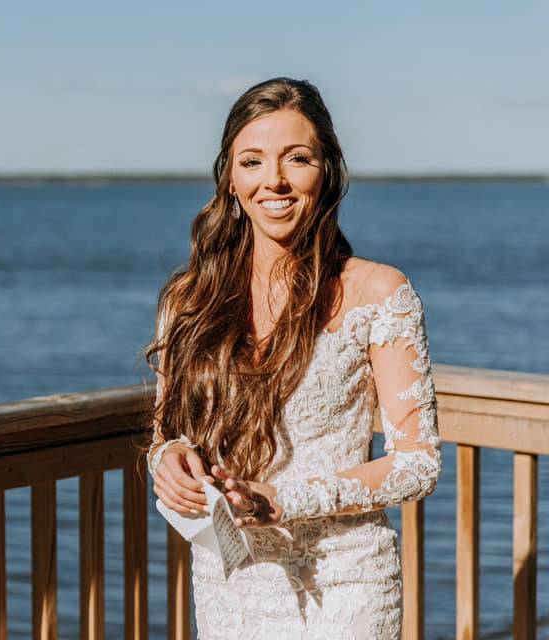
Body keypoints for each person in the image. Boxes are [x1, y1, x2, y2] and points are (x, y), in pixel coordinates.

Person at [145, 77, 442, 639]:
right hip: (229, 585)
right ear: (230, 180)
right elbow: (169, 433)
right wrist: (171, 462)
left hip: (345, 584)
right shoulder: (189, 298)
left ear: (326, 171)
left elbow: (418, 464)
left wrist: (282, 500)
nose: (273, 180)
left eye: (296, 159)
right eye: (252, 161)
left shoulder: (380, 293)